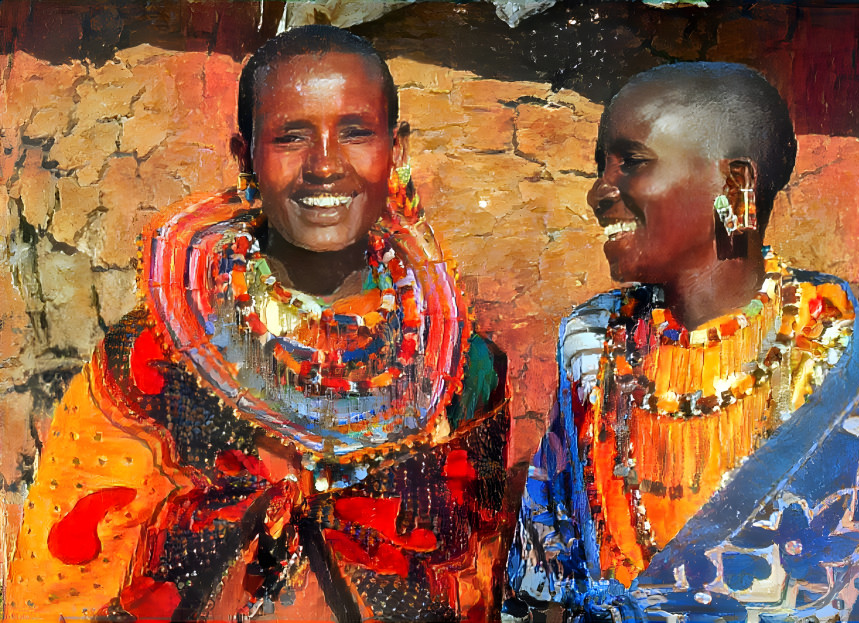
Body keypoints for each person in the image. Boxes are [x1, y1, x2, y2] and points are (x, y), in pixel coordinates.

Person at [5, 26, 511, 622]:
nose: (325, 165)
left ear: (396, 150)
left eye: (355, 133)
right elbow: (59, 586)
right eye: (291, 137)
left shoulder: (463, 372)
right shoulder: (151, 359)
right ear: (245, 157)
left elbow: (472, 587)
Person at [504, 63, 859, 622]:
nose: (600, 191)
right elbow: (548, 562)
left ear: (735, 184)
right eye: (601, 165)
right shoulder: (593, 346)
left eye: (632, 162)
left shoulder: (838, 371)